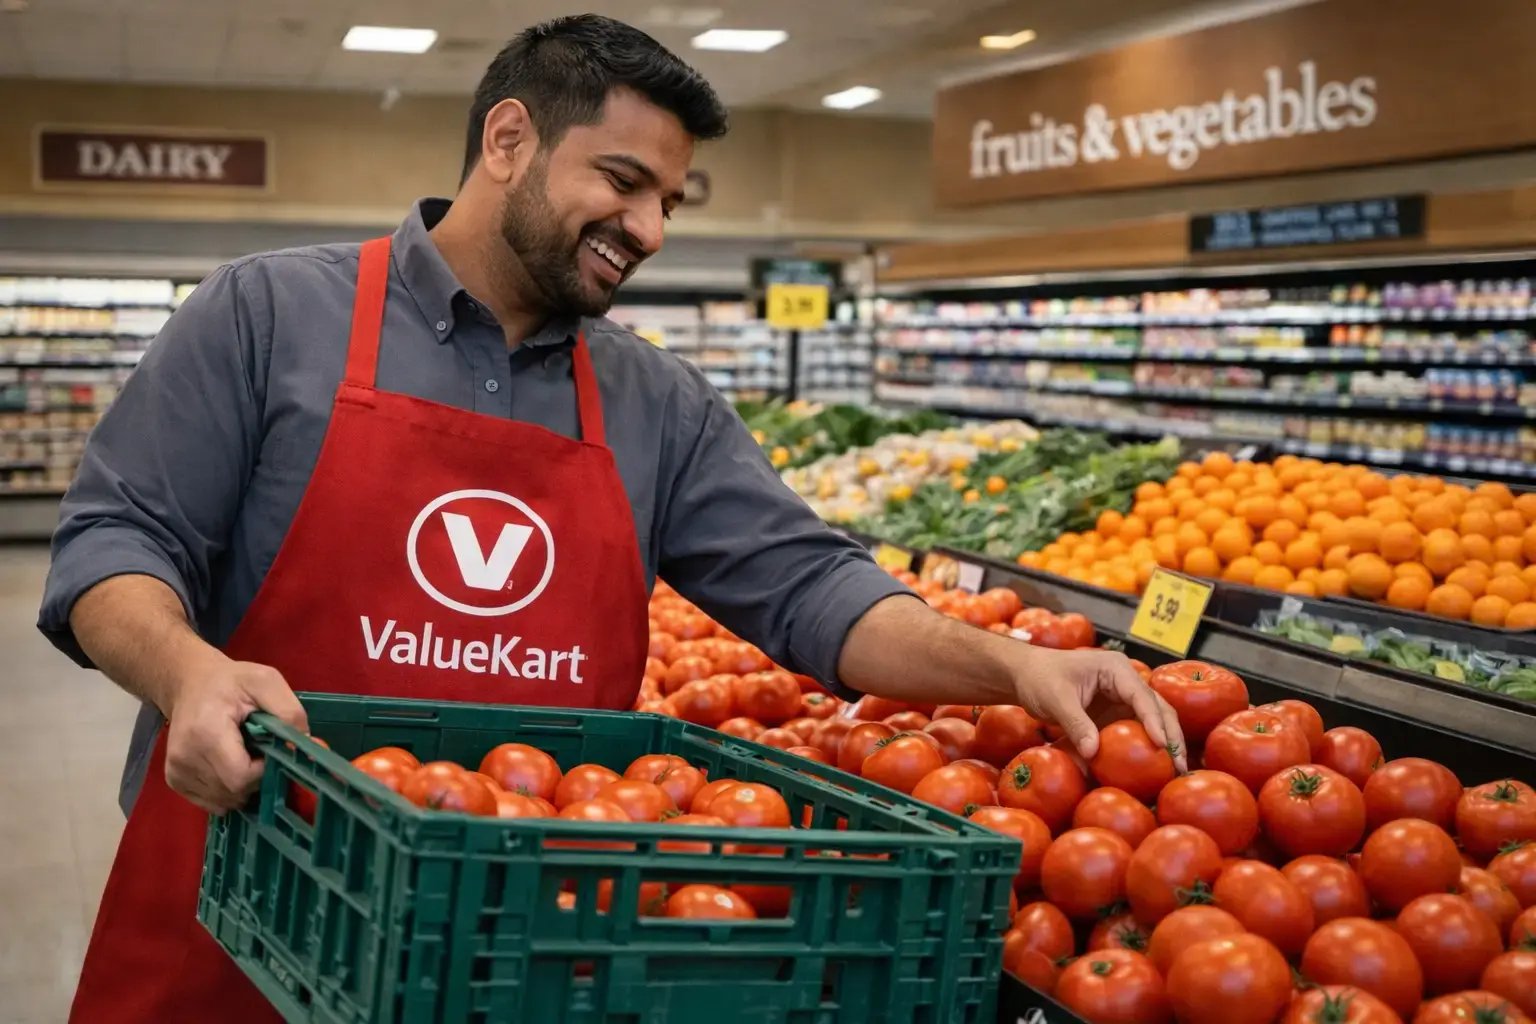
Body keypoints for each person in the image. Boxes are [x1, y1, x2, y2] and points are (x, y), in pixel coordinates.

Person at [39, 14, 1184, 1022]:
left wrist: (1012, 664)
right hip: (247, 886)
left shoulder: (655, 401)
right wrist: (188, 671)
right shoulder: (269, 314)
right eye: (625, 182)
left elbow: (811, 586)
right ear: (509, 140)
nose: (650, 229)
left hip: (524, 938)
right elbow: (114, 543)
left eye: (669, 202)